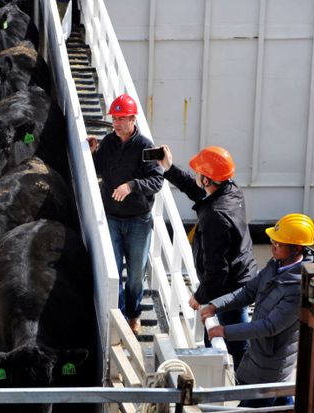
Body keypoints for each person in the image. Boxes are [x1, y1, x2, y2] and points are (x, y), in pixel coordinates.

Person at [200, 213, 314, 413]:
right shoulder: (276, 266)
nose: (273, 246)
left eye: (279, 243)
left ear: (297, 248)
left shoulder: (299, 289)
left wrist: (225, 331)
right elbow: (248, 292)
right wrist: (216, 305)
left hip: (271, 361)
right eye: (273, 241)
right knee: (283, 405)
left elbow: (269, 326)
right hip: (264, 356)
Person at [157, 145, 257, 369]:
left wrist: (200, 296)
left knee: (232, 343)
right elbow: (197, 191)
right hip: (242, 276)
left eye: (199, 173)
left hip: (229, 287)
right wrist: (170, 169)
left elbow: (217, 269)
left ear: (207, 180)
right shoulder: (231, 191)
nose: (196, 176)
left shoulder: (215, 217)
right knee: (229, 336)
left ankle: (245, 392)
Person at [87, 94, 164, 334]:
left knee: (135, 275)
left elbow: (157, 179)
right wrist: (91, 153)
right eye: (114, 118)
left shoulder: (146, 147)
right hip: (111, 219)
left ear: (133, 119)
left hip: (138, 221)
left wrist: (131, 185)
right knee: (113, 271)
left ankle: (134, 313)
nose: (116, 123)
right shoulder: (107, 143)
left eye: (121, 118)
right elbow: (97, 169)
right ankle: (120, 317)